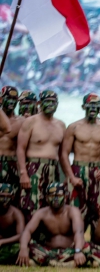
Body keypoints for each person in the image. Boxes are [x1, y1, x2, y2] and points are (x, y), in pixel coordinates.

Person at [60, 93, 100, 238]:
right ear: (83, 107)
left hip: (97, 172)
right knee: (76, 209)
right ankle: (75, 245)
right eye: (90, 106)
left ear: (99, 109)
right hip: (78, 169)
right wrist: (71, 177)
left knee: (98, 210)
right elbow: (64, 154)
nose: (93, 109)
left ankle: (97, 247)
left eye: (96, 106)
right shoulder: (73, 127)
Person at [15, 183, 100, 267]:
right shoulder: (42, 213)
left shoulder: (72, 211)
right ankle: (64, 264)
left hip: (70, 251)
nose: (55, 199)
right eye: (52, 195)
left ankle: (47, 263)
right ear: (47, 198)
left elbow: (79, 232)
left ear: (65, 196)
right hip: (49, 251)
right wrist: (23, 248)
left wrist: (77, 251)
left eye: (59, 195)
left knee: (87, 247)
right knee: (29, 245)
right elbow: (27, 231)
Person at [17, 90, 65, 222]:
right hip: (34, 167)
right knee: (31, 203)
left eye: (53, 102)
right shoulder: (30, 122)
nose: (50, 104)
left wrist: (67, 175)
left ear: (57, 104)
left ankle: (45, 239)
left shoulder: (61, 125)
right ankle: (30, 238)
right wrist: (23, 173)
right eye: (47, 101)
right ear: (39, 103)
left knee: (51, 203)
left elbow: (62, 154)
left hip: (53, 169)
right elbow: (21, 148)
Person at [0, 86, 24, 196]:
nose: (11, 102)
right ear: (1, 99)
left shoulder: (22, 121)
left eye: (14, 99)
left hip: (12, 164)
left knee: (12, 198)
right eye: (8, 98)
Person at [0, 183, 24, 264]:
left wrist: (3, 241)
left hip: (9, 245)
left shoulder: (16, 214)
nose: (5, 200)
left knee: (21, 248)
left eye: (8, 197)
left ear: (12, 197)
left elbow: (21, 235)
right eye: (2, 196)